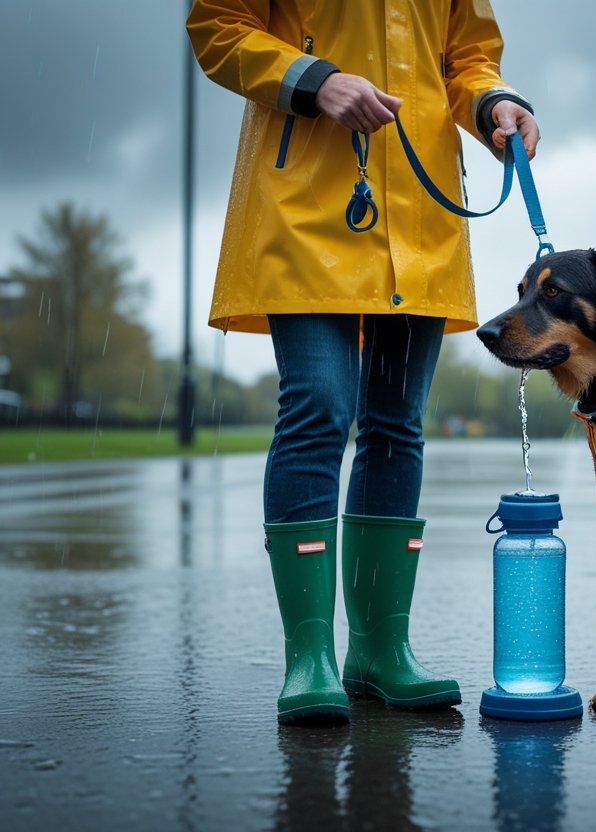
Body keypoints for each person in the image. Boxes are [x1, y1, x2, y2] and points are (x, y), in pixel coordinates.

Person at [186, 1, 539, 725]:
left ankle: (380, 650)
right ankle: (308, 658)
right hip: (308, 203)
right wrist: (313, 79)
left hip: (418, 213)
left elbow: (466, 57)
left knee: (395, 424)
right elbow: (216, 26)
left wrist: (495, 104)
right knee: (317, 406)